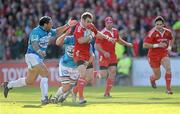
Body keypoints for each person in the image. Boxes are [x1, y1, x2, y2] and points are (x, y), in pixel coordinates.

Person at [3, 16, 77, 104]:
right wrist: (39, 51)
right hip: (32, 55)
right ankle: (44, 98)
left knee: (29, 81)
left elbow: (57, 31)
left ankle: (8, 85)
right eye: (50, 23)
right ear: (45, 24)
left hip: (37, 58)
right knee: (45, 73)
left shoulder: (48, 31)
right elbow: (34, 43)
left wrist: (67, 25)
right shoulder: (36, 31)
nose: (52, 24)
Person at [72, 12, 115, 104]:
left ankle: (74, 91)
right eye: (87, 21)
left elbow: (97, 33)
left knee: (89, 78)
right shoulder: (78, 28)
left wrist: (107, 37)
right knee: (83, 74)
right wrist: (91, 36)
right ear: (82, 20)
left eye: (90, 21)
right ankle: (81, 98)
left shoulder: (91, 26)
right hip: (79, 53)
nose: (89, 23)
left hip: (88, 54)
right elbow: (80, 40)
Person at [95, 16, 133, 97]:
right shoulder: (102, 33)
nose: (109, 24)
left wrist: (127, 44)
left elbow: (119, 40)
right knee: (103, 75)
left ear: (112, 23)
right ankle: (95, 73)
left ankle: (107, 93)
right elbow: (96, 45)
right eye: (107, 23)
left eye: (110, 22)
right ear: (105, 24)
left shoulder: (115, 31)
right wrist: (104, 52)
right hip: (104, 56)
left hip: (112, 55)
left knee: (113, 71)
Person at [143, 16, 174, 94]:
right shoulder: (152, 33)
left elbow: (172, 38)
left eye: (160, 24)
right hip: (153, 56)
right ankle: (152, 79)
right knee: (158, 76)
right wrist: (157, 45)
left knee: (168, 68)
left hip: (164, 53)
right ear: (155, 25)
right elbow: (145, 45)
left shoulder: (168, 32)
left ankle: (168, 89)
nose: (159, 26)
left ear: (163, 24)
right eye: (157, 24)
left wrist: (169, 47)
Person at [49, 27, 80, 103]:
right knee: (66, 87)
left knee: (71, 86)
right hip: (65, 65)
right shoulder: (70, 39)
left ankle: (63, 97)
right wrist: (65, 34)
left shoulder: (84, 41)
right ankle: (55, 97)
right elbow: (57, 42)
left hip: (76, 67)